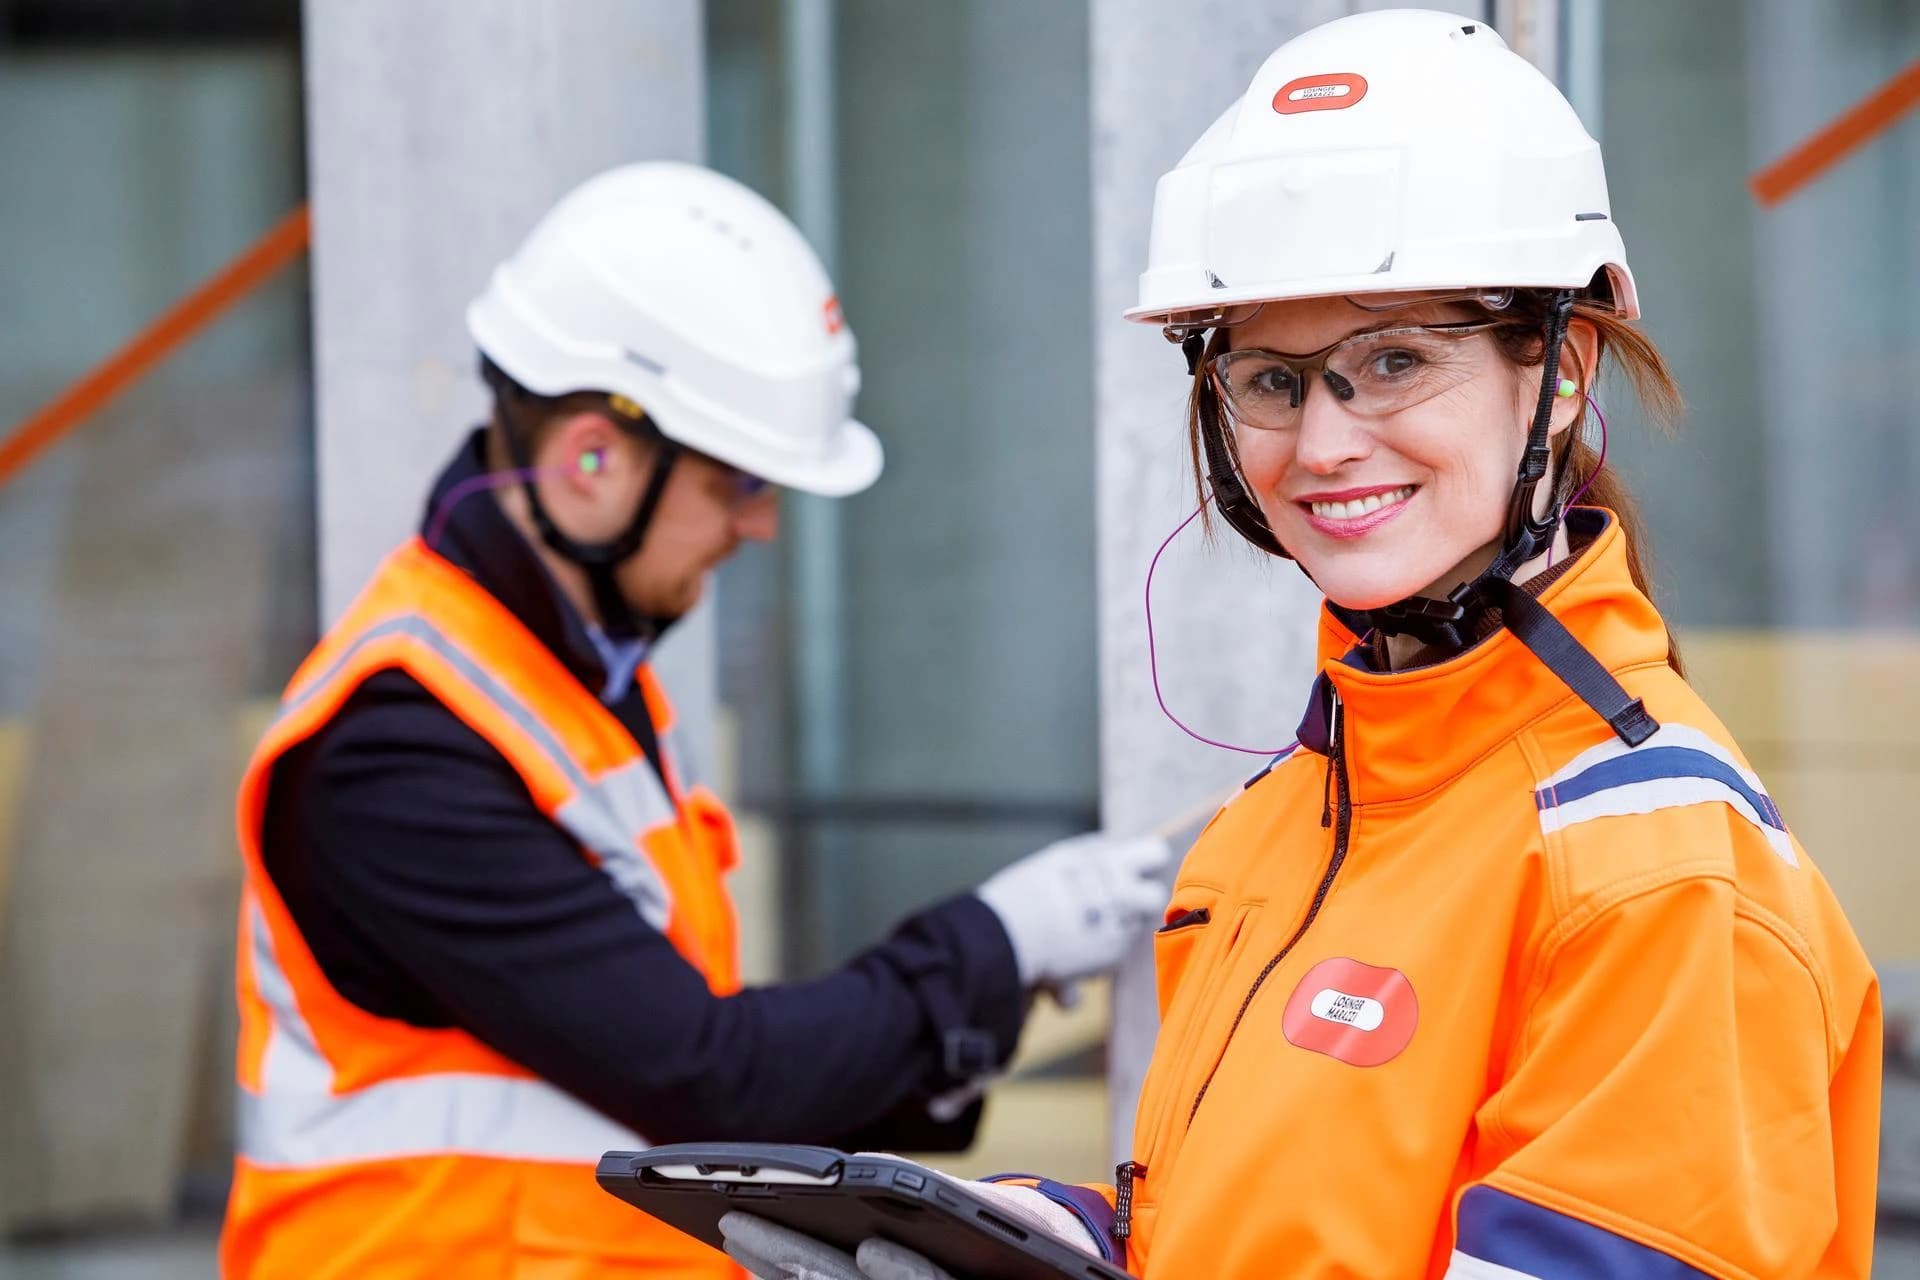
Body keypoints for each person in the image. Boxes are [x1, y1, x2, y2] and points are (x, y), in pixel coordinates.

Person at [717, 11, 1882, 1279]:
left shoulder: (1662, 886)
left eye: (1392, 360)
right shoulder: (1268, 834)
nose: (1322, 445)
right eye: (1270, 379)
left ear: (1556, 375)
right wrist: (1063, 1240)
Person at [220, 162, 1170, 1278]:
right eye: (736, 483)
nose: (761, 525)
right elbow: (709, 1074)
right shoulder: (397, 748)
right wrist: (993, 944)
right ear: (590, 459)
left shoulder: (570, 684)